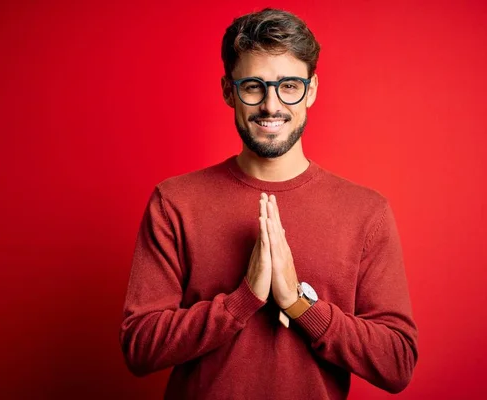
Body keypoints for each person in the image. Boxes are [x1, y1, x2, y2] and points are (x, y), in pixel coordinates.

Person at [120, 8, 418, 400]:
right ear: (229, 90)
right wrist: (242, 301)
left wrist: (299, 304)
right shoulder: (175, 202)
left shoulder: (366, 212)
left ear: (311, 90)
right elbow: (139, 348)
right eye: (254, 87)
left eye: (289, 85)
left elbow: (397, 364)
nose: (271, 105)